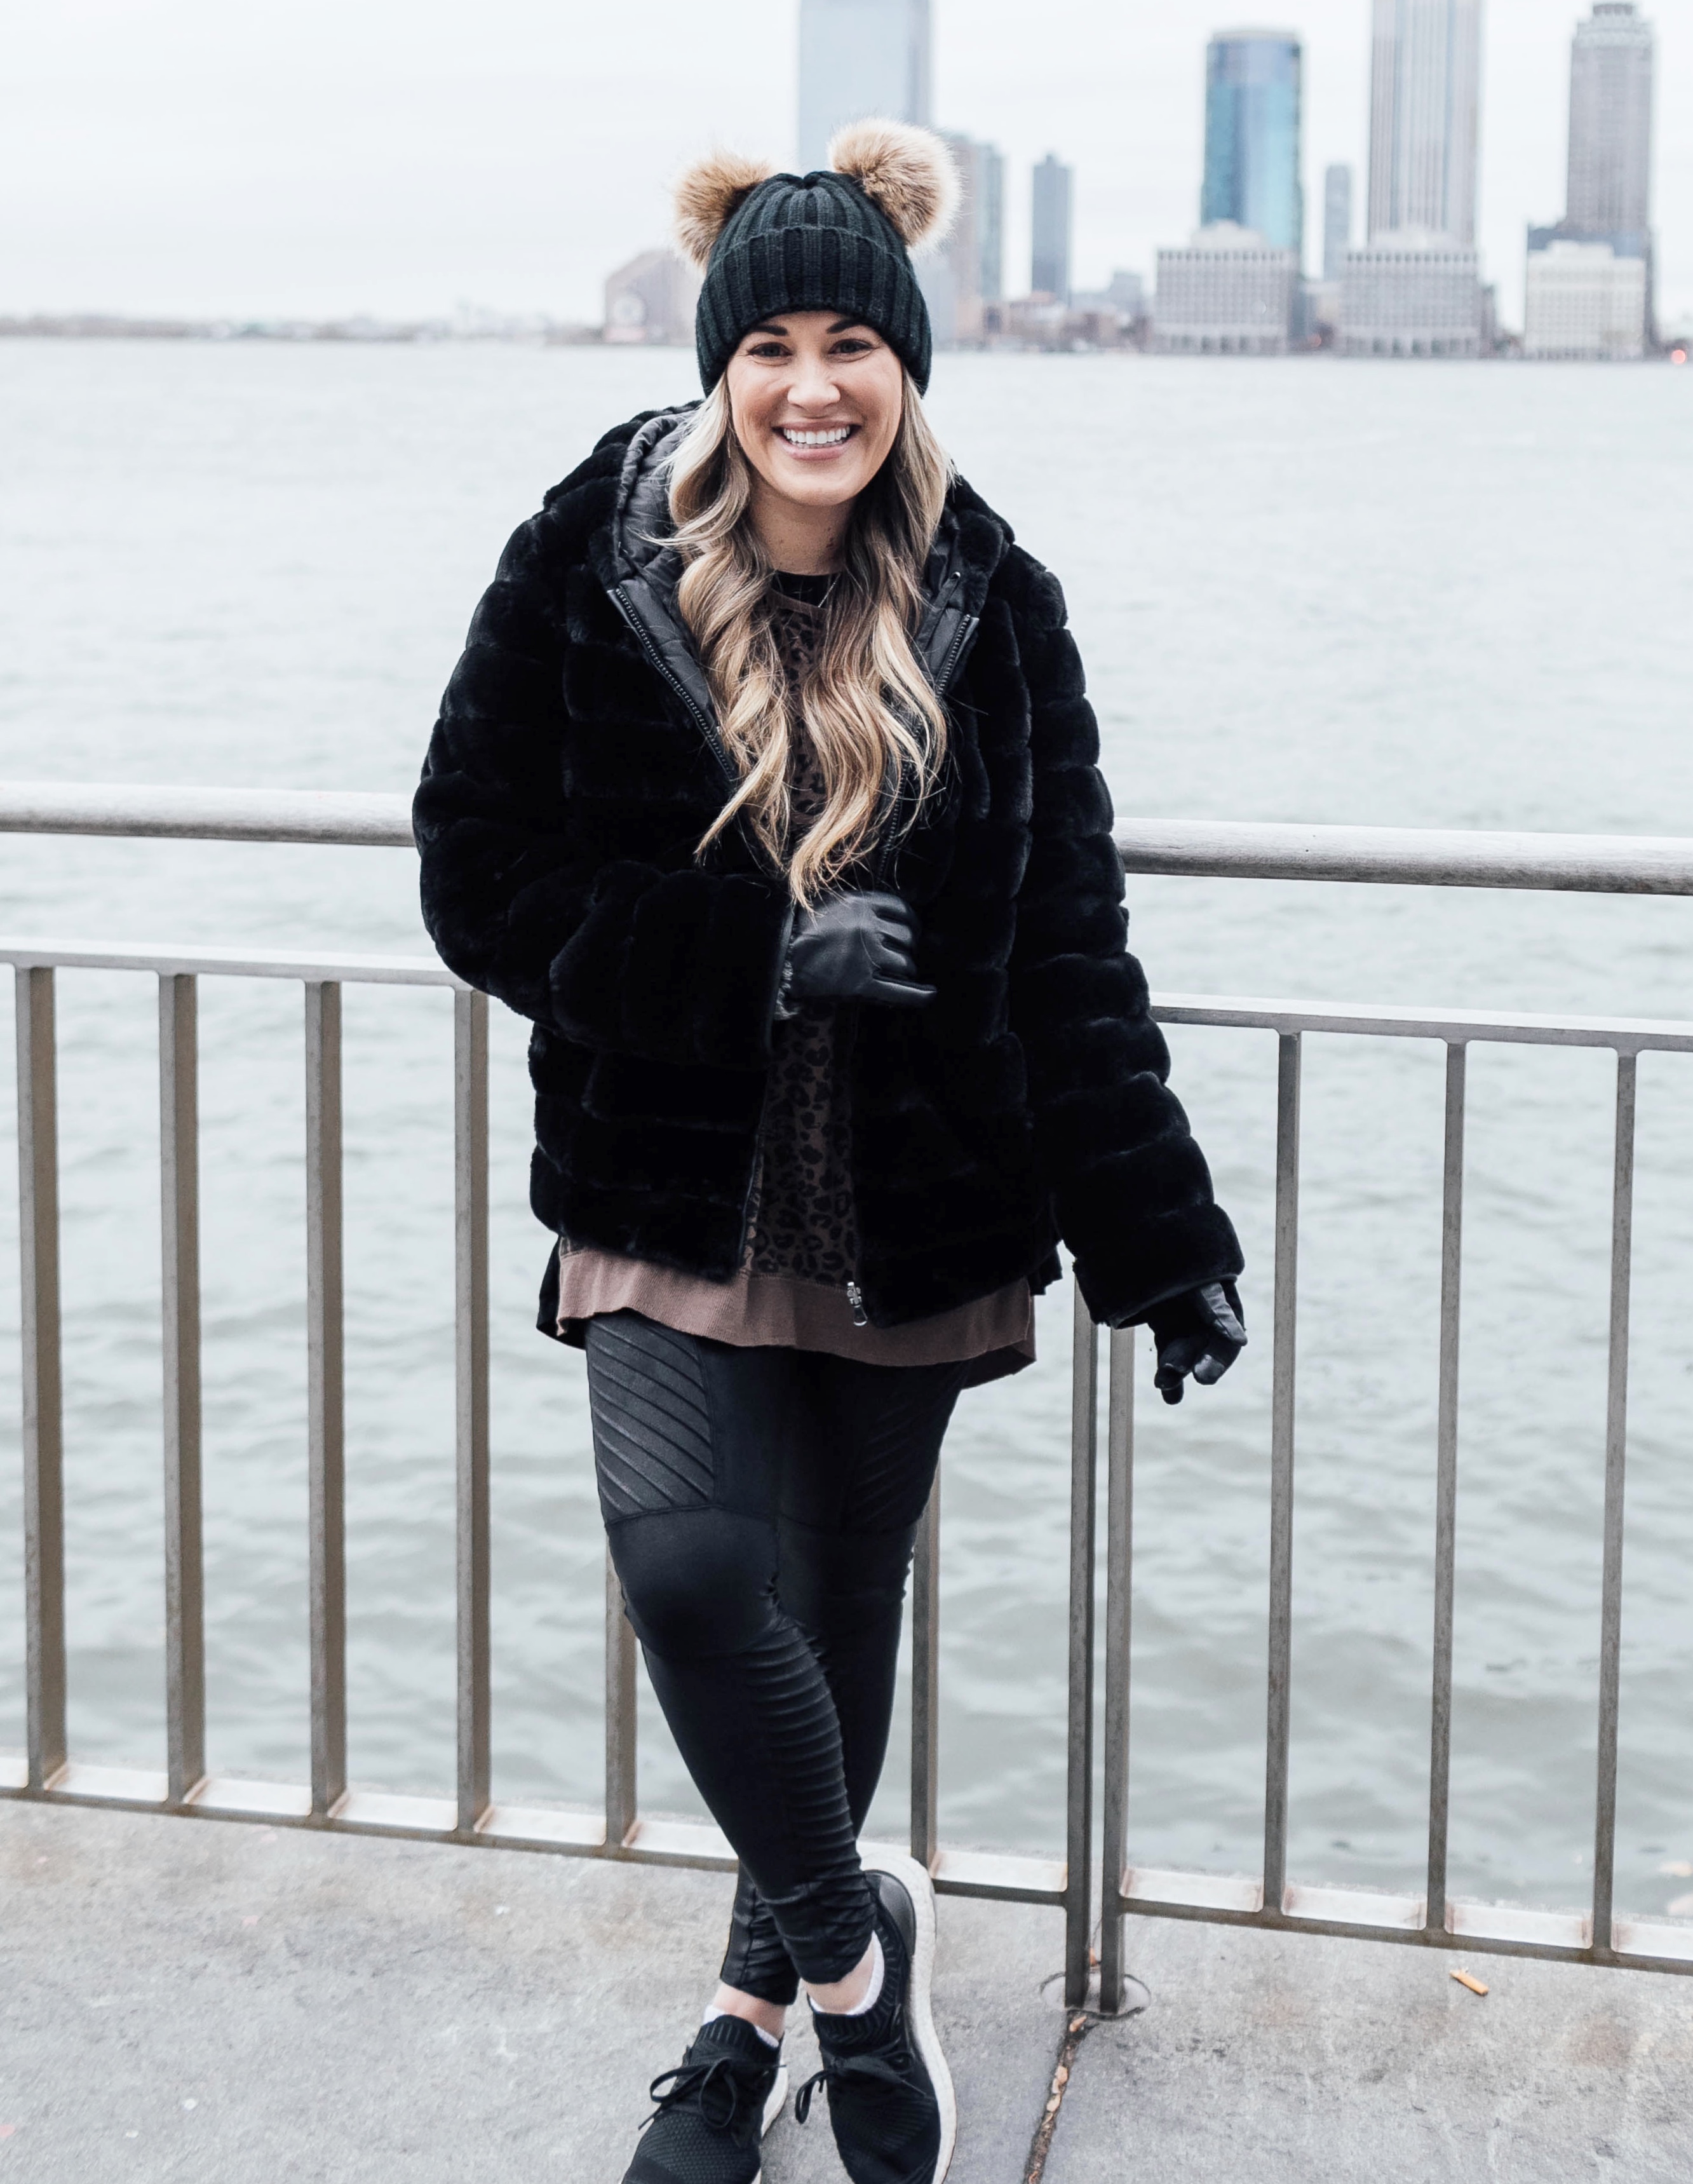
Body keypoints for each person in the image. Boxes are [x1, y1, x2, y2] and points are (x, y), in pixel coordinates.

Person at [414, 119, 1244, 2184]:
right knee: (694, 1574)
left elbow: (1070, 944)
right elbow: (473, 870)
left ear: (907, 365)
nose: (812, 383)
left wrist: (1158, 1229)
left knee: (833, 1618)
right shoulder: (591, 551)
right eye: (769, 340)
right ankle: (859, 1991)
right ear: (718, 364)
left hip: (921, 1208)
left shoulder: (992, 598)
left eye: (852, 341)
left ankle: (739, 2018)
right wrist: (745, 958)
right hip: (664, 1186)